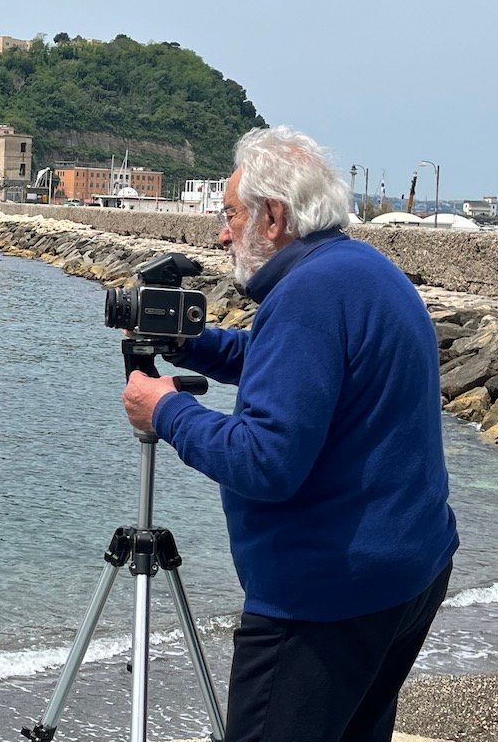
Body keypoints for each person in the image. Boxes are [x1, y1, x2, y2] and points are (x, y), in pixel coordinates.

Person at [122, 127, 458, 742]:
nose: (222, 233)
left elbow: (266, 463)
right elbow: (295, 366)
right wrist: (194, 345)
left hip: (326, 600)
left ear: (272, 217)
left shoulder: (306, 296)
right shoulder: (358, 269)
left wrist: (165, 409)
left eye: (229, 215)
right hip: (409, 569)